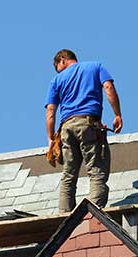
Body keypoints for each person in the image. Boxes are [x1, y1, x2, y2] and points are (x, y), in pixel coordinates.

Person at [45, 49, 123, 212]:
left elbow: (51, 111)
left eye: (58, 67)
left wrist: (51, 138)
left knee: (68, 175)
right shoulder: (95, 67)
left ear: (63, 60)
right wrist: (117, 114)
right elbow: (108, 87)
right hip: (88, 124)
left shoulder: (56, 81)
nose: (59, 72)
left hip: (67, 128)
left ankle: (65, 217)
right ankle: (92, 215)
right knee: (96, 171)